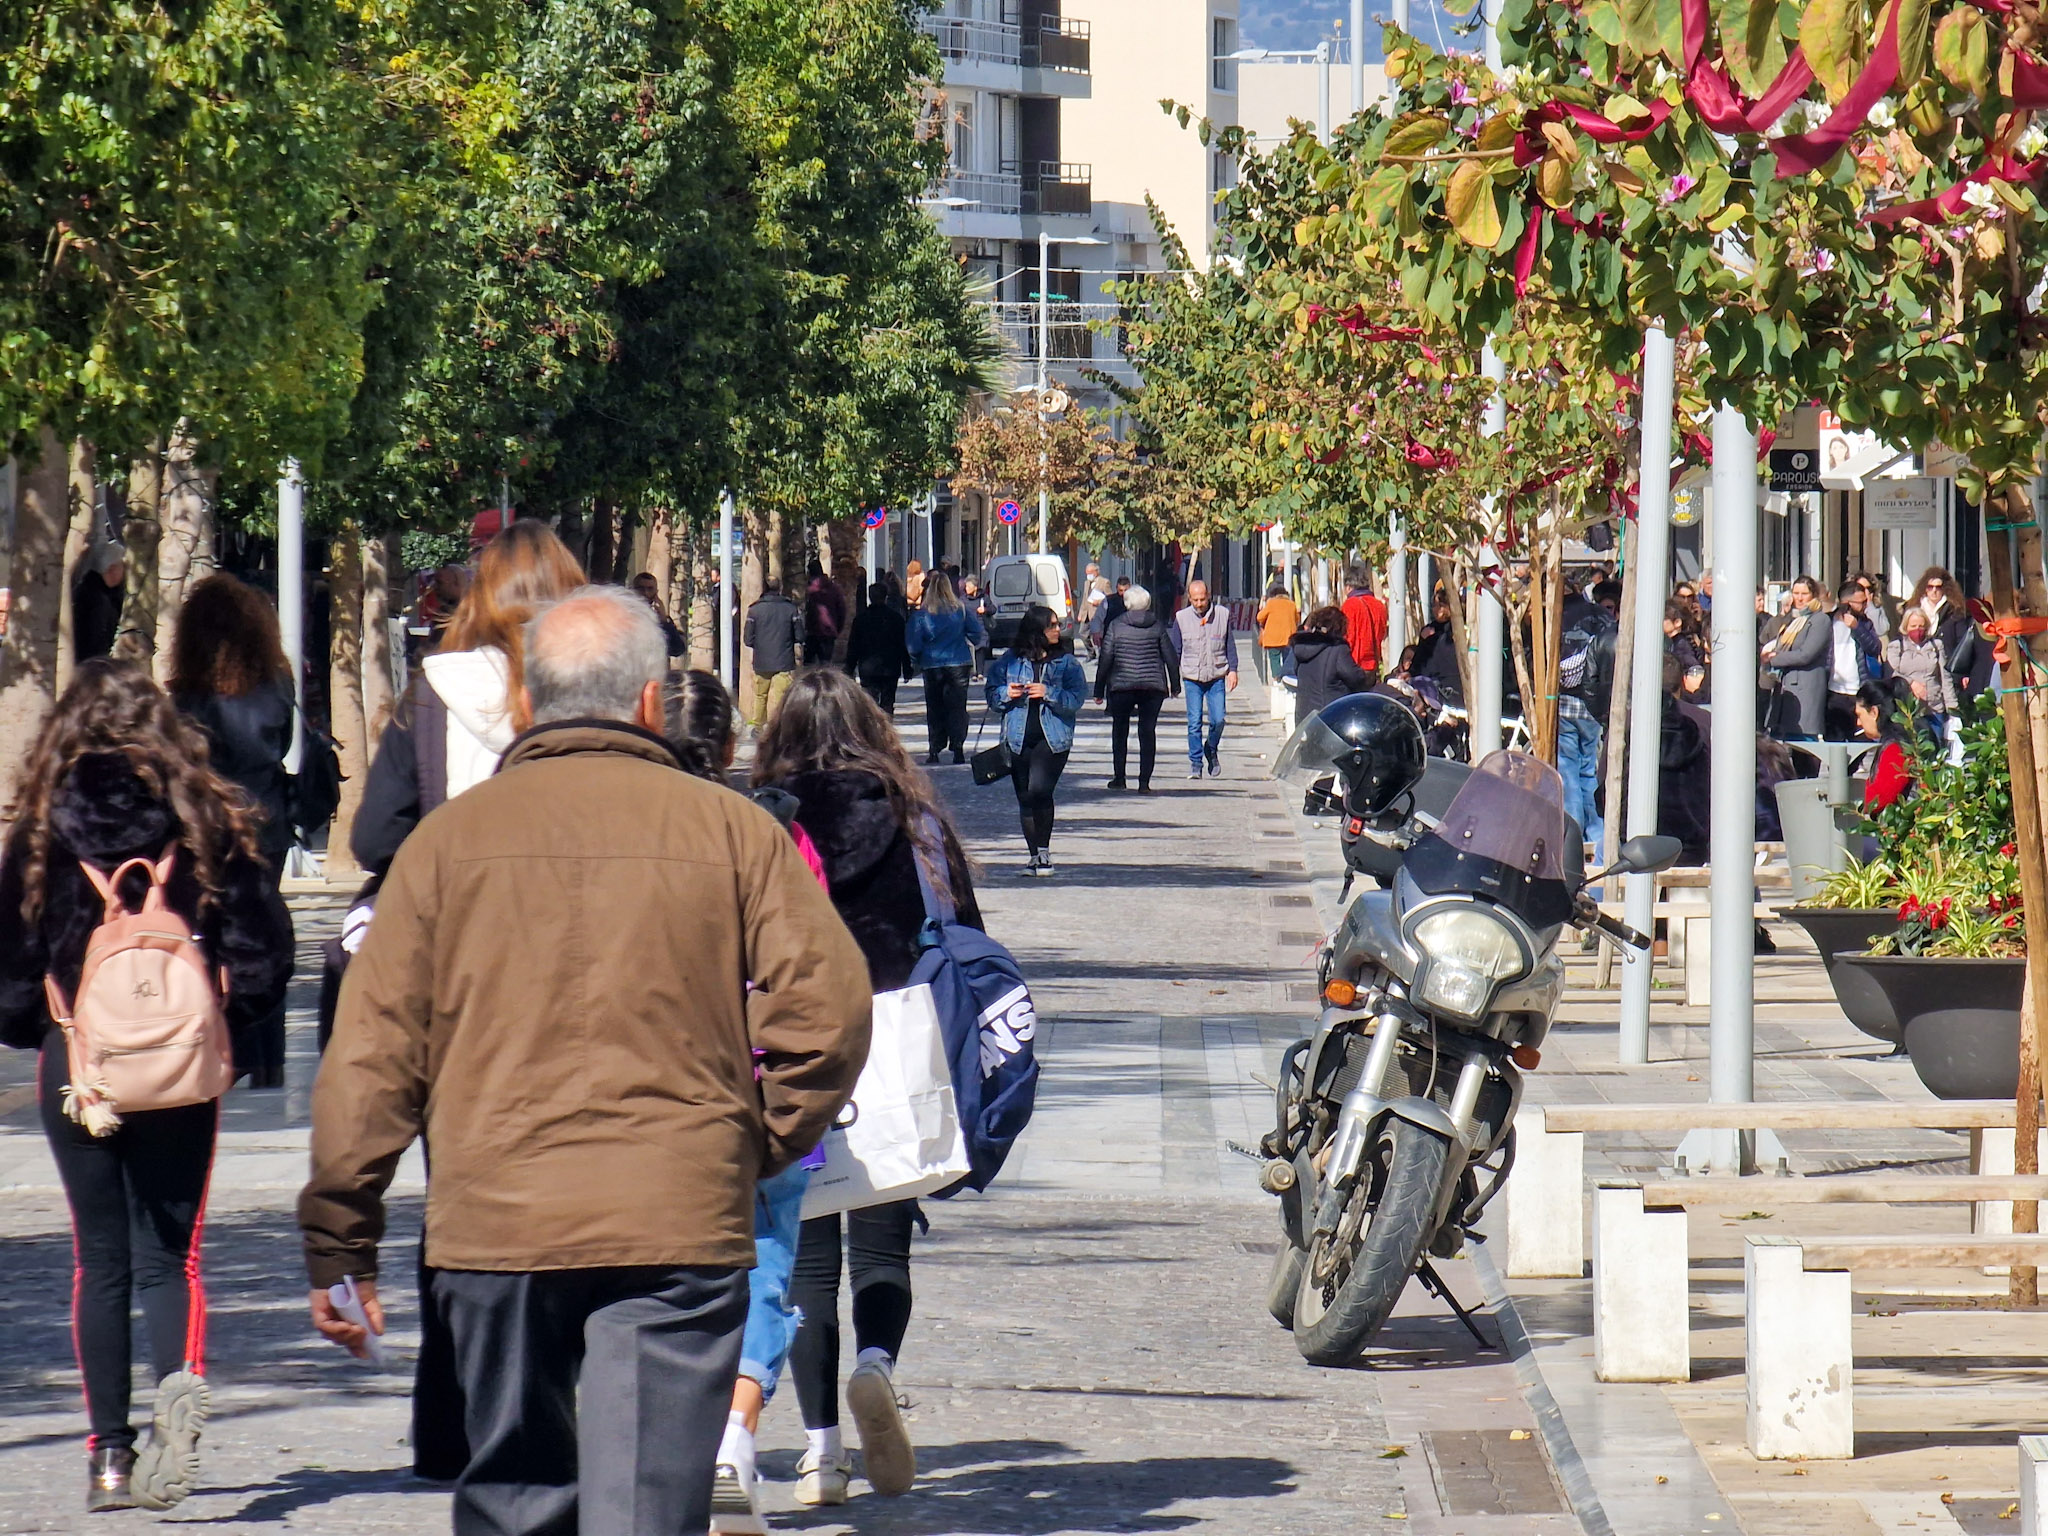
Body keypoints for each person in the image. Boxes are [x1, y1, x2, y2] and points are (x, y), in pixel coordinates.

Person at [301, 588, 870, 1536]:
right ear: (651, 702)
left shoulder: (446, 846)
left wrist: (340, 1232)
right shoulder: (733, 831)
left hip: (497, 1219)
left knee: (515, 1496)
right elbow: (830, 1009)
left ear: (526, 704)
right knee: (644, 1506)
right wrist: (754, 1140)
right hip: (675, 1215)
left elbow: (372, 1055)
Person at [0, 660, 293, 1512]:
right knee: (172, 1256)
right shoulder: (206, 819)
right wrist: (221, 1024)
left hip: (78, 1065)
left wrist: (46, 1024)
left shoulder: (40, 833)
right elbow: (265, 954)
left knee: (99, 1259)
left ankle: (108, 1457)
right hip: (181, 1065)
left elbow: (9, 976)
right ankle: (176, 1409)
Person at [751, 668, 982, 1508]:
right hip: (893, 1048)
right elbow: (963, 929)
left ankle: (821, 1454)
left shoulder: (761, 823)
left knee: (806, 1259)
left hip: (792, 1054)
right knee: (883, 1244)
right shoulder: (913, 819)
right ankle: (876, 1365)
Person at [354, 520, 586, 875]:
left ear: (478, 599)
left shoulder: (434, 694)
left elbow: (375, 840)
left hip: (462, 895)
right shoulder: (602, 689)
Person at [168, 572, 297, 1089]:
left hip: (209, 825)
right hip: (267, 821)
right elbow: (283, 744)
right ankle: (268, 1056)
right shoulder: (277, 685)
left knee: (213, 935)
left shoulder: (187, 695)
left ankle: (225, 1047)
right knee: (265, 930)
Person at [985, 604, 1087, 874]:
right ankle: (1035, 856)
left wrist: (1048, 692)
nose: (1057, 629)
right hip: (1017, 737)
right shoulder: (1010, 661)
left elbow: (1076, 699)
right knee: (1024, 797)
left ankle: (1044, 850)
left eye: (1057, 624)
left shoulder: (1066, 663)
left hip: (1052, 738)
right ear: (1036, 629)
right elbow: (992, 696)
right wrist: (1007, 693)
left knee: (1039, 790)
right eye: (1051, 625)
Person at [1094, 583, 1178, 792]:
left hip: (1122, 685)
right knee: (1147, 732)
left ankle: (1119, 778)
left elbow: (1106, 658)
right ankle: (1144, 782)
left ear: (1126, 603)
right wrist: (1175, 685)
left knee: (1119, 731)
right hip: (1152, 686)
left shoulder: (1116, 626)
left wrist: (1098, 690)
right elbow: (1170, 656)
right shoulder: (1157, 625)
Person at [1556, 578, 1617, 853]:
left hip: (1566, 702)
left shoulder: (1558, 618)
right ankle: (1596, 831)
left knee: (1568, 771)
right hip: (1595, 706)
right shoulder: (1603, 618)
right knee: (1588, 769)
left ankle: (1574, 835)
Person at [906, 570, 985, 765]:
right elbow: (976, 633)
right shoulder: (961, 610)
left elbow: (913, 643)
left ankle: (935, 748)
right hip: (958, 662)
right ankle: (957, 748)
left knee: (935, 707)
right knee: (957, 707)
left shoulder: (922, 615)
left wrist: (916, 658)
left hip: (932, 664)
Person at [1169, 579, 1240, 779]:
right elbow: (1175, 651)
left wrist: (1233, 670)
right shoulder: (1181, 618)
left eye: (1202, 599)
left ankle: (1211, 747)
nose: (1199, 604)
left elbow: (1229, 645)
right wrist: (1172, 680)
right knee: (1194, 722)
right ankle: (1196, 763)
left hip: (1216, 675)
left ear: (1208, 596)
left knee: (1218, 719)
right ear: (1189, 598)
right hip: (1192, 677)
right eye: (1195, 600)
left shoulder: (1222, 615)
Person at [1762, 575, 1830, 740]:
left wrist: (1775, 658)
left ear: (1813, 595)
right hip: (1784, 690)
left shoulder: (1820, 620)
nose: (1799, 598)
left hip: (1805, 689)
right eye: (1796, 593)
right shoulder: (1793, 619)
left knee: (1803, 743)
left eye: (1804, 594)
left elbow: (1806, 654)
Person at [1884, 604, 1959, 735]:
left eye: (1921, 626)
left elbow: (1945, 678)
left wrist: (1953, 708)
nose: (1917, 629)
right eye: (1913, 626)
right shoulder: (1896, 647)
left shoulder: (1936, 645)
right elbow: (1892, 674)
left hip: (1934, 708)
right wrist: (1911, 683)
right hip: (1908, 710)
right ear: (1906, 627)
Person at [1288, 605, 1372, 721]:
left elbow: (1296, 672)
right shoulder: (1337, 649)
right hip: (1329, 716)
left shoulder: (1302, 646)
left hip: (1304, 717)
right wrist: (1369, 677)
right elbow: (1355, 677)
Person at [843, 581, 912, 714]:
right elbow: (902, 645)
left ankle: (873, 724)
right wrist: (907, 667)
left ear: (870, 597)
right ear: (886, 596)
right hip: (890, 668)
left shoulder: (861, 619)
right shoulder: (895, 618)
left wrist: (849, 667)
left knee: (870, 703)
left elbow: (853, 646)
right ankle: (886, 724)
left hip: (868, 669)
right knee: (888, 702)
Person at [1826, 578, 1884, 738]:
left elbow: (1875, 648)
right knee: (1835, 740)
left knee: (1860, 740)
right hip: (1834, 691)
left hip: (1858, 690)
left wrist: (1857, 628)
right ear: (1846, 603)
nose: (1866, 605)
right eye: (1861, 602)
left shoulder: (1865, 623)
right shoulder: (1828, 622)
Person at [744, 580, 805, 729]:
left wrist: (761, 646)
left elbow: (748, 639)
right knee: (781, 697)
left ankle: (758, 726)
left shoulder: (755, 610)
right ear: (780, 588)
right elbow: (800, 636)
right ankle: (778, 726)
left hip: (762, 661)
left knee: (760, 695)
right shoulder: (791, 609)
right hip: (784, 661)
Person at [1855, 677, 1922, 811]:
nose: (1858, 723)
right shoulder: (1910, 734)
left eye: (1860, 715)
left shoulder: (1896, 748)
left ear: (1874, 712)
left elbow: (1879, 799)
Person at [72, 531, 126, 661]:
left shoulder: (95, 591)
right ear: (112, 569)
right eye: (122, 566)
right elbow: (97, 642)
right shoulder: (97, 601)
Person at [1340, 565, 1389, 681]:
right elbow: (1382, 634)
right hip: (1373, 665)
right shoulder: (1379, 606)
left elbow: (1347, 638)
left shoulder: (1349, 606)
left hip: (1354, 664)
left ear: (1348, 587)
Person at [630, 570, 688, 658]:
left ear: (656, 592)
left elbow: (677, 649)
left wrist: (664, 621)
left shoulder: (659, 619)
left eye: (650, 589)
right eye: (641, 588)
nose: (645, 593)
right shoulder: (624, 613)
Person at [1255, 578, 1299, 691]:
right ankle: (1286, 678)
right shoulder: (1291, 604)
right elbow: (1297, 619)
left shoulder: (1271, 603)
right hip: (1289, 637)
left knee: (1274, 659)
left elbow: (1259, 617)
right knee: (1287, 659)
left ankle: (1276, 679)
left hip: (1273, 638)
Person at [804, 560, 847, 665]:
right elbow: (842, 610)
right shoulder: (834, 588)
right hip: (829, 631)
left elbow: (807, 611)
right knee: (825, 664)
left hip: (812, 631)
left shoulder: (809, 590)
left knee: (808, 665)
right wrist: (837, 628)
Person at [1090, 574, 1131, 652]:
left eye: (1126, 590)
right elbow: (1098, 617)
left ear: (1130, 588)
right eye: (1121, 590)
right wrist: (1096, 632)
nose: (1123, 593)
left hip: (1129, 637)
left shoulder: (1135, 600)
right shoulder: (1108, 600)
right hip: (1110, 636)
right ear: (1116, 588)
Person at [1079, 561, 1111, 658]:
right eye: (1087, 573)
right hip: (1086, 614)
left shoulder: (1104, 582)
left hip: (1096, 613)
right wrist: (1081, 613)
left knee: (1097, 636)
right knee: (1082, 633)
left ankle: (1101, 655)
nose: (1088, 575)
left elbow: (1109, 597)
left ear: (1096, 572)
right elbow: (1085, 599)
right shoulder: (1086, 583)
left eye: (1090, 573)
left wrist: (1100, 601)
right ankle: (1091, 652)